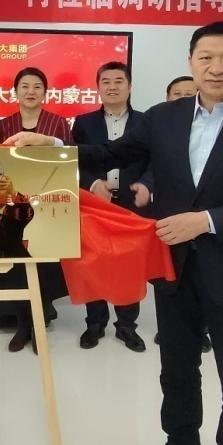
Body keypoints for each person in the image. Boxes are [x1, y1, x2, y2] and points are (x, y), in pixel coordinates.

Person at [6, 21, 223, 445]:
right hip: (175, 267)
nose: (216, 67)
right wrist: (50, 145)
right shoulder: (164, 118)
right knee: (176, 366)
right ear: (190, 62)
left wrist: (205, 221)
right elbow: (110, 153)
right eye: (206, 57)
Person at [71, 61, 151, 352]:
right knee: (94, 263)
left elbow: (155, 160)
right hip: (96, 203)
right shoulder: (84, 122)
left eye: (119, 81)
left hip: (132, 203)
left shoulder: (146, 121)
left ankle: (127, 326)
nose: (113, 87)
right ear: (98, 88)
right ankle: (95, 323)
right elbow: (75, 161)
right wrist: (93, 184)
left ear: (129, 87)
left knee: (129, 266)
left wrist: (147, 184)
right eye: (106, 82)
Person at [0, 67, 71, 353]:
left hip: (49, 205)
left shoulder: (58, 124)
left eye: (37, 86)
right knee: (14, 265)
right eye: (24, 86)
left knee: (46, 265)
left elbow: (68, 161)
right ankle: (22, 324)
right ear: (15, 92)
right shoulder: (3, 126)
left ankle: (41, 322)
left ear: (45, 92)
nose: (30, 91)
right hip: (14, 207)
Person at [153, 74, 210, 353]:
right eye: (178, 93)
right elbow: (122, 153)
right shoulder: (159, 121)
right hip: (172, 235)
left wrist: (207, 221)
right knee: (175, 359)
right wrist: (56, 146)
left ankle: (204, 331)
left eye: (190, 93)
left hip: (221, 242)